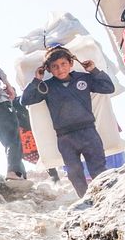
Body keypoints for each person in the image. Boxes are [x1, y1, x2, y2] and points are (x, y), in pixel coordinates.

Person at [20, 47, 115, 198]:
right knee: (74, 173)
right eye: (55, 66)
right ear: (49, 70)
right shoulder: (47, 87)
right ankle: (86, 201)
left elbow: (108, 88)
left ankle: (106, 199)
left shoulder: (84, 78)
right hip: (65, 138)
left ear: (71, 63)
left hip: (88, 132)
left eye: (63, 64)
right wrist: (37, 79)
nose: (60, 69)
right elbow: (25, 100)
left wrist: (94, 70)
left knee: (98, 169)